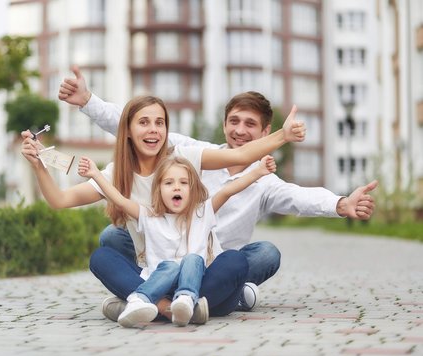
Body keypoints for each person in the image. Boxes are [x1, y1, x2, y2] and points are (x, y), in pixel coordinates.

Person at [58, 66, 377, 316]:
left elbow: (299, 196)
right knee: (112, 238)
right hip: (165, 256)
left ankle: (149, 298)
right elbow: (138, 127)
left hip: (214, 264)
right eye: (234, 121)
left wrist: (339, 203)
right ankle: (221, 299)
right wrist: (88, 102)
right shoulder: (195, 155)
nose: (240, 130)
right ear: (225, 124)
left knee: (265, 253)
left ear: (265, 132)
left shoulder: (264, 181)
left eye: (250, 124)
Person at [22, 94, 305, 322]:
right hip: (156, 270)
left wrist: (283, 136)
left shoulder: (184, 159)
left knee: (235, 261)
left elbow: (241, 155)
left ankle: (142, 303)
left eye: (160, 123)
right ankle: (172, 307)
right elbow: (59, 200)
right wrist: (39, 166)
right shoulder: (116, 174)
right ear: (129, 131)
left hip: (199, 275)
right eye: (144, 122)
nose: (153, 130)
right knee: (102, 255)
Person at [78, 154, 277, 327]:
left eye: (184, 183)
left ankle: (150, 307)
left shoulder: (202, 212)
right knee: (101, 257)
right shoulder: (148, 216)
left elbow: (228, 190)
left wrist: (258, 171)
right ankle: (165, 308)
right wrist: (96, 174)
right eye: (169, 183)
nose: (177, 187)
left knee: (234, 259)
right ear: (159, 189)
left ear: (192, 189)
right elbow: (119, 200)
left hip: (199, 286)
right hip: (157, 284)